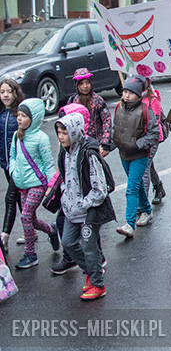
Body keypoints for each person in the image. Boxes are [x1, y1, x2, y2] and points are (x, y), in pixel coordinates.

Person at [54, 113, 114, 300]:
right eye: (59, 133)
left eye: (65, 133)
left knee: (89, 247)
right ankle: (91, 271)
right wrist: (66, 197)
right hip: (71, 209)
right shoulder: (64, 151)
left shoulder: (89, 153)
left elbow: (100, 189)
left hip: (90, 210)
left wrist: (83, 204)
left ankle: (97, 284)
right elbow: (64, 178)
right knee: (68, 243)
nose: (61, 137)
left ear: (74, 132)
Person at [9, 98, 59, 269]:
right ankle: (52, 231)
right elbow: (13, 157)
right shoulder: (17, 135)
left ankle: (30, 254)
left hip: (37, 184)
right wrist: (13, 172)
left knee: (24, 216)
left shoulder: (41, 138)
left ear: (34, 117)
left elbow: (48, 163)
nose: (19, 119)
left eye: (24, 116)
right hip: (22, 184)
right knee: (32, 219)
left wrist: (52, 187)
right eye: (19, 115)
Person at [113, 76, 159, 238]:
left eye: (131, 93)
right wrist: (109, 145)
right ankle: (147, 210)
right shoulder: (118, 107)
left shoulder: (146, 110)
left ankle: (129, 224)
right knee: (137, 184)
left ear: (139, 95)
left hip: (139, 155)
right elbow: (116, 130)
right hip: (123, 154)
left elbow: (154, 134)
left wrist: (137, 144)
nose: (126, 95)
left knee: (131, 188)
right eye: (125, 91)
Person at [66, 69, 112, 157]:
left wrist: (105, 143)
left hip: (95, 145)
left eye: (87, 83)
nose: (85, 86)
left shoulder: (98, 100)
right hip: (77, 145)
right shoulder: (73, 101)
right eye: (81, 84)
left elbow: (107, 120)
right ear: (76, 85)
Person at [0, 79, 23, 254]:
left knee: (10, 198)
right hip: (6, 165)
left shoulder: (20, 114)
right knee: (18, 198)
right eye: (2, 92)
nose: (6, 95)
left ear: (15, 93)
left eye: (9, 91)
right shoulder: (1, 114)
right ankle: (31, 229)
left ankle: (4, 237)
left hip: (19, 165)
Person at [141, 79, 166, 205]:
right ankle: (158, 187)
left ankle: (143, 202)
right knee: (149, 166)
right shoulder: (132, 98)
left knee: (145, 167)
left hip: (153, 138)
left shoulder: (153, 99)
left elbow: (155, 122)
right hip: (139, 138)